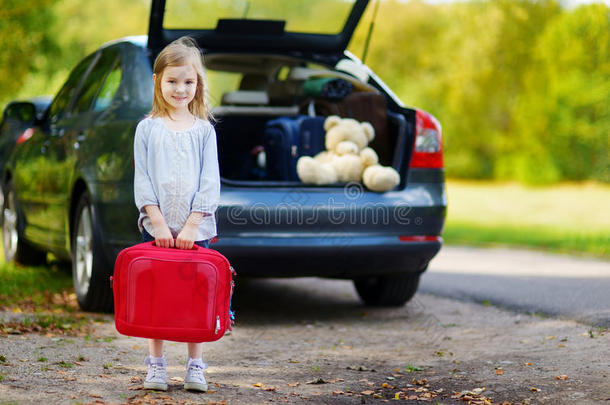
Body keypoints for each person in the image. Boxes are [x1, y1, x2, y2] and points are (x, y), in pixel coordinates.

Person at [133, 36, 220, 392]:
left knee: (194, 297)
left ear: (197, 84)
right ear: (158, 81)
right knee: (156, 296)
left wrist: (192, 224)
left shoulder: (204, 131)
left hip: (195, 231)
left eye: (188, 81)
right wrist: (156, 221)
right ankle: (156, 364)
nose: (180, 88)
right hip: (157, 229)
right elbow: (143, 178)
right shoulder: (147, 128)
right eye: (172, 81)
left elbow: (209, 181)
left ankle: (195, 365)